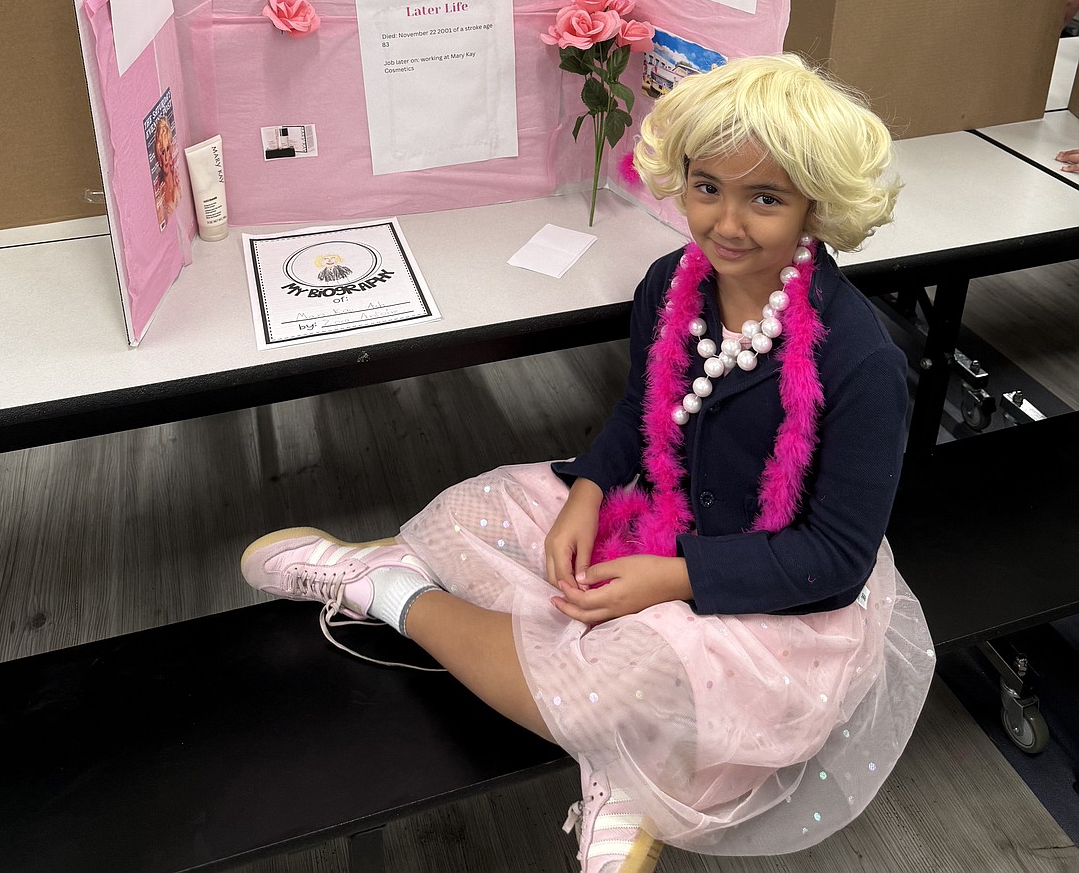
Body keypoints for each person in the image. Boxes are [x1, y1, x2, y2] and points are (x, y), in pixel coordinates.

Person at [241, 55, 934, 871]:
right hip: (657, 509)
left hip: (778, 586)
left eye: (766, 199)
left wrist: (673, 579)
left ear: (817, 205)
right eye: (707, 187)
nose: (727, 223)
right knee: (465, 511)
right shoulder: (670, 285)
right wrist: (591, 489)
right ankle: (618, 742)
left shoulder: (862, 365)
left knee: (636, 674)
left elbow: (837, 561)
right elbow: (644, 414)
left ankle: (390, 595)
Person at [153, 115, 181, 227]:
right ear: (158, 156)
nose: (165, 158)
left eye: (168, 149)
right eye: (162, 152)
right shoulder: (158, 193)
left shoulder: (179, 180)